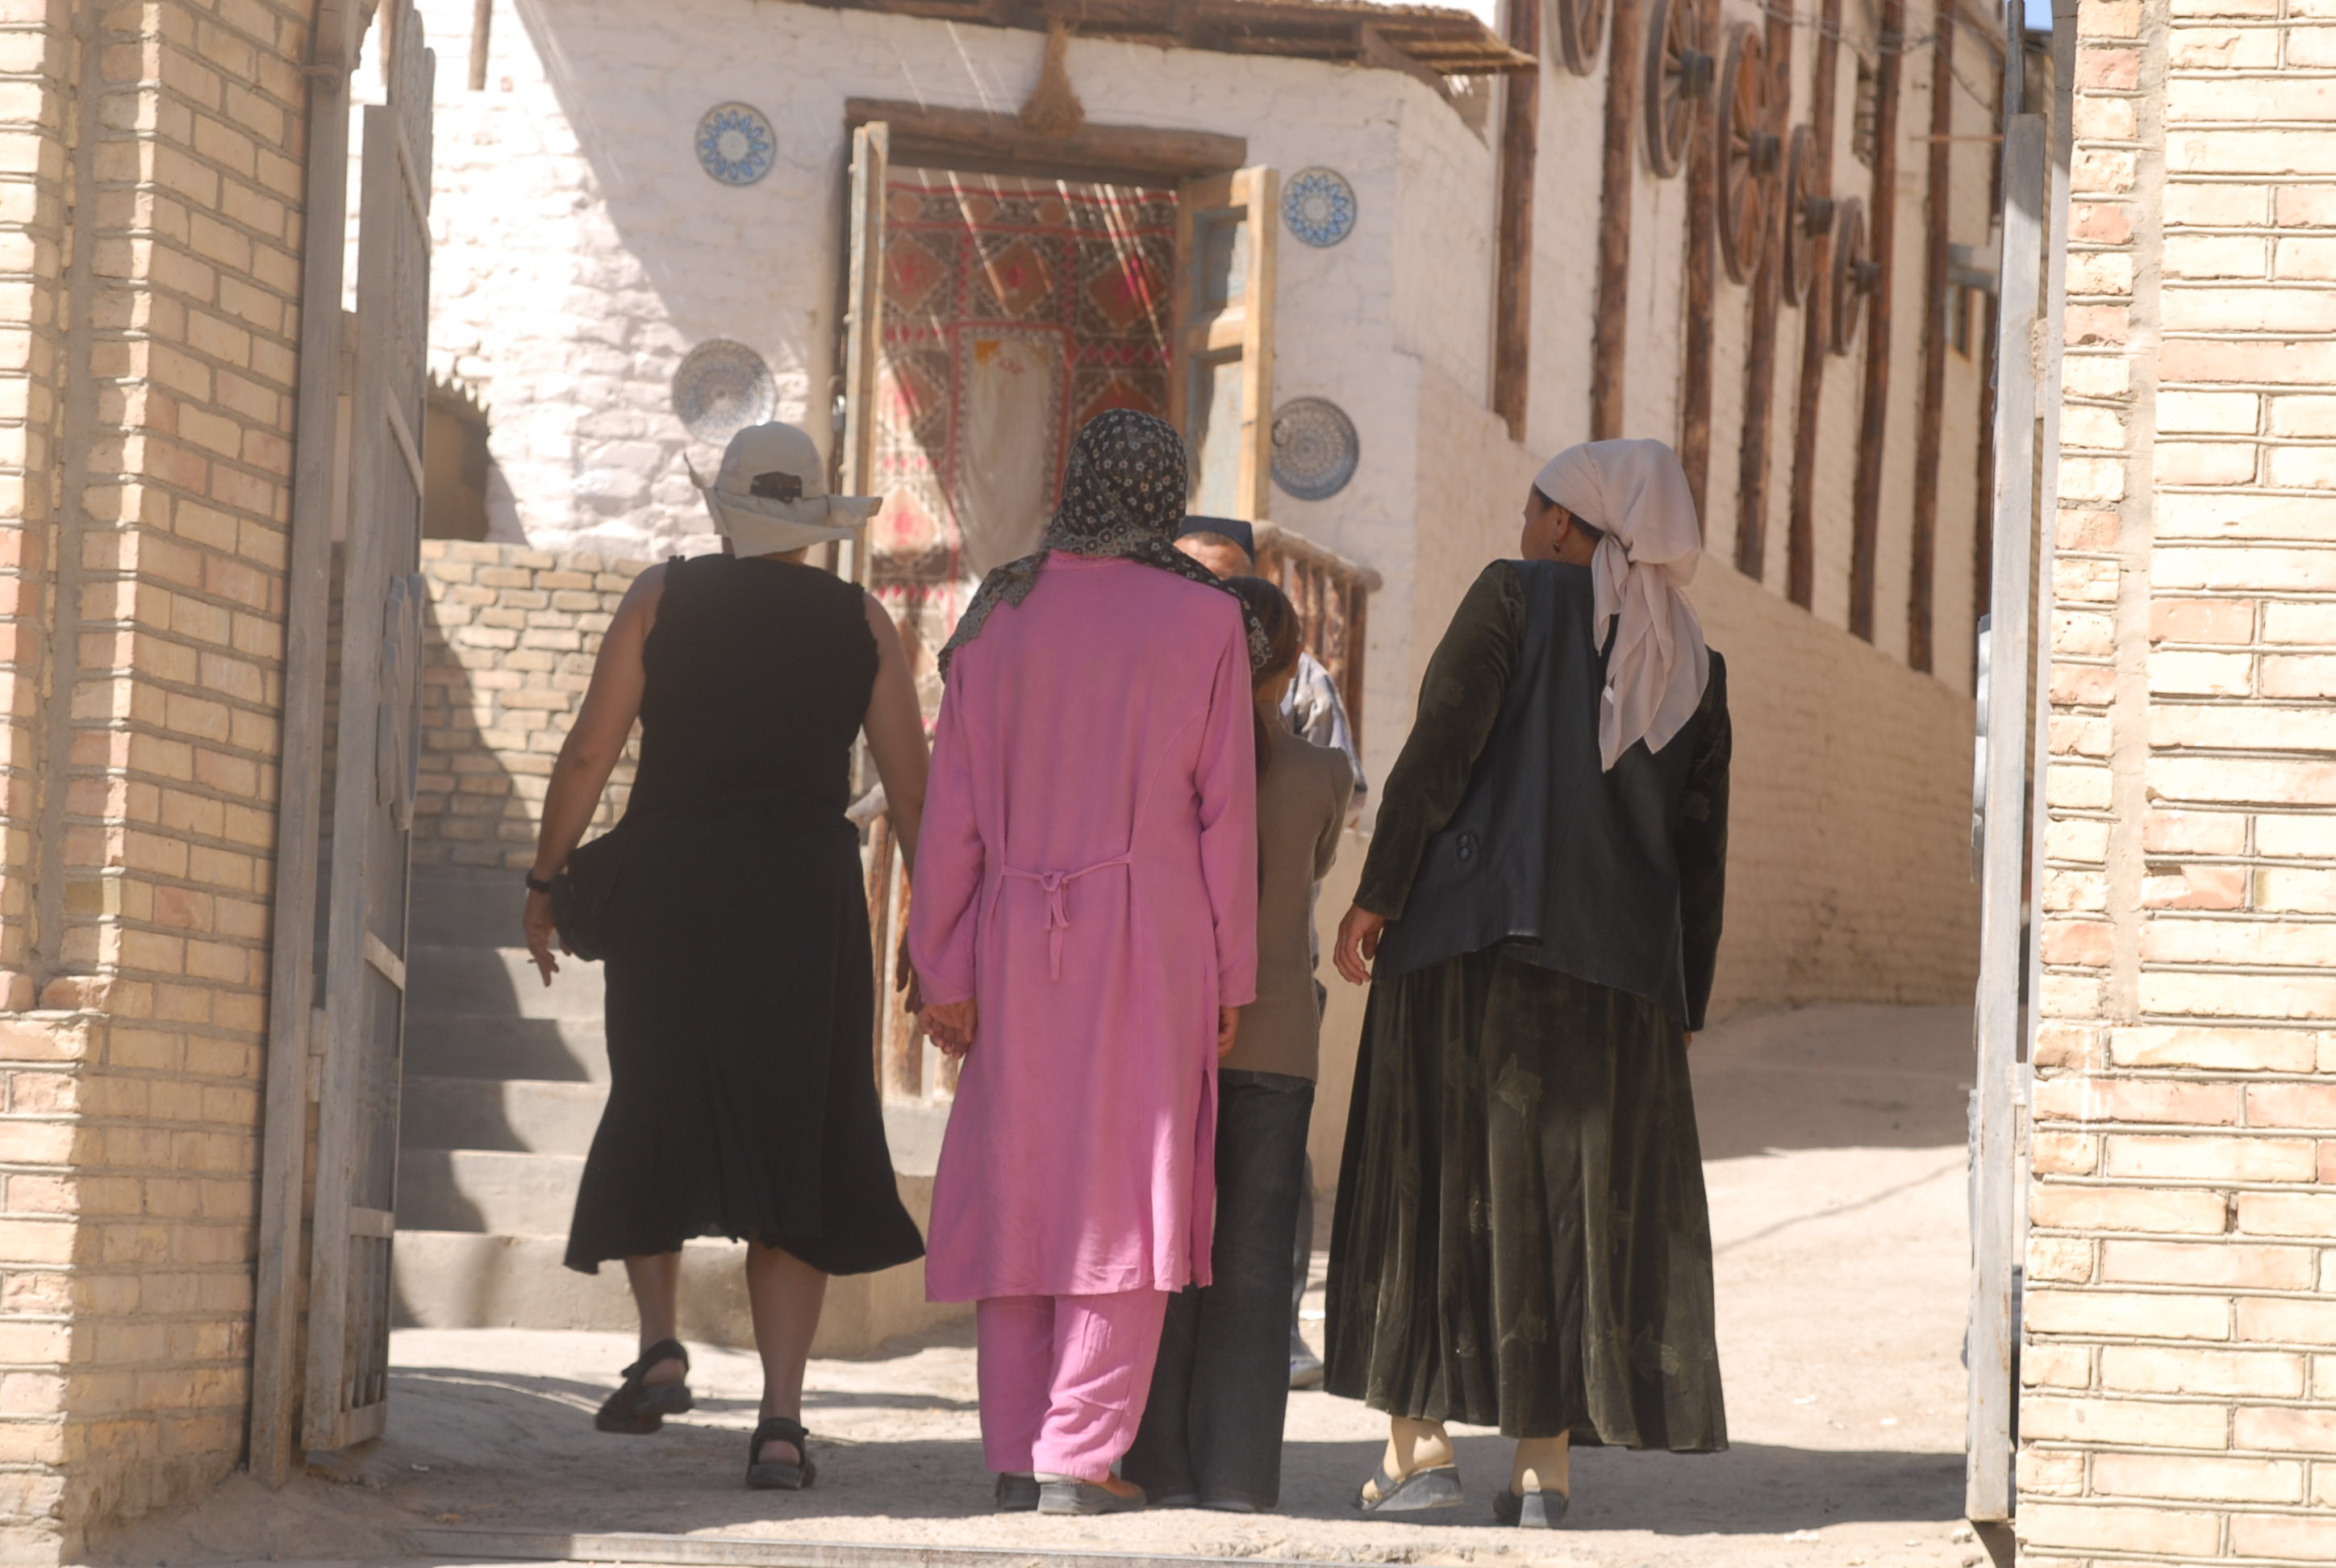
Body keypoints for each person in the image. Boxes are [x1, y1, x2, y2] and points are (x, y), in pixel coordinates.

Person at [1323, 438, 1732, 1528]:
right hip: (1617, 980)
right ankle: (1543, 1472)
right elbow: (1699, 851)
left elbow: (1439, 751)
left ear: (1562, 523)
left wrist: (1377, 893)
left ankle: (1418, 1450)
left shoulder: (1514, 596)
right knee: (1564, 1211)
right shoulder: (1692, 664)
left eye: (1531, 509)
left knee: (1431, 1185)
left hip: (1470, 950)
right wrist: (1681, 999)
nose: (1521, 528)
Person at [521, 421, 929, 1491]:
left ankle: (660, 1346)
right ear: (815, 521)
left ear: (723, 510)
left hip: (675, 890)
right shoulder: (862, 620)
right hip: (803, 898)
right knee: (795, 1132)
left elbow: (589, 750)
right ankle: (782, 1422)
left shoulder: (662, 596)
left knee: (658, 1100)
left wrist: (545, 879)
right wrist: (937, 929)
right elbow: (912, 792)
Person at [908, 410, 1263, 1517]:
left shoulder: (997, 612)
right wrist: (1232, 974)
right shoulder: (1208, 619)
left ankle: (1018, 1453)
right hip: (1154, 941)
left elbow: (953, 813)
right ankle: (1080, 1452)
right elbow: (1226, 816)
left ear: (1075, 485)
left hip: (1015, 940)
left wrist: (941, 966)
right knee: (1127, 1189)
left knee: (1021, 1182)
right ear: (1165, 498)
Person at [1123, 576, 1352, 1514]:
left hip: (1172, 1030)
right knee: (1255, 1266)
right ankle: (1239, 1478)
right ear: (1293, 666)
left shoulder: (1162, 763)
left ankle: (1159, 1467)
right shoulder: (1322, 774)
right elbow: (1314, 871)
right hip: (1280, 1038)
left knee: (1167, 1254)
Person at [1172, 517, 1361, 1390]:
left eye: (1227, 580)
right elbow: (1319, 836)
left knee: (1235, 1205)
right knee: (1216, 1211)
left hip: (1233, 985)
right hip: (1238, 995)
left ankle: (1255, 1347)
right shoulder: (1162, 686)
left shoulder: (1176, 722)